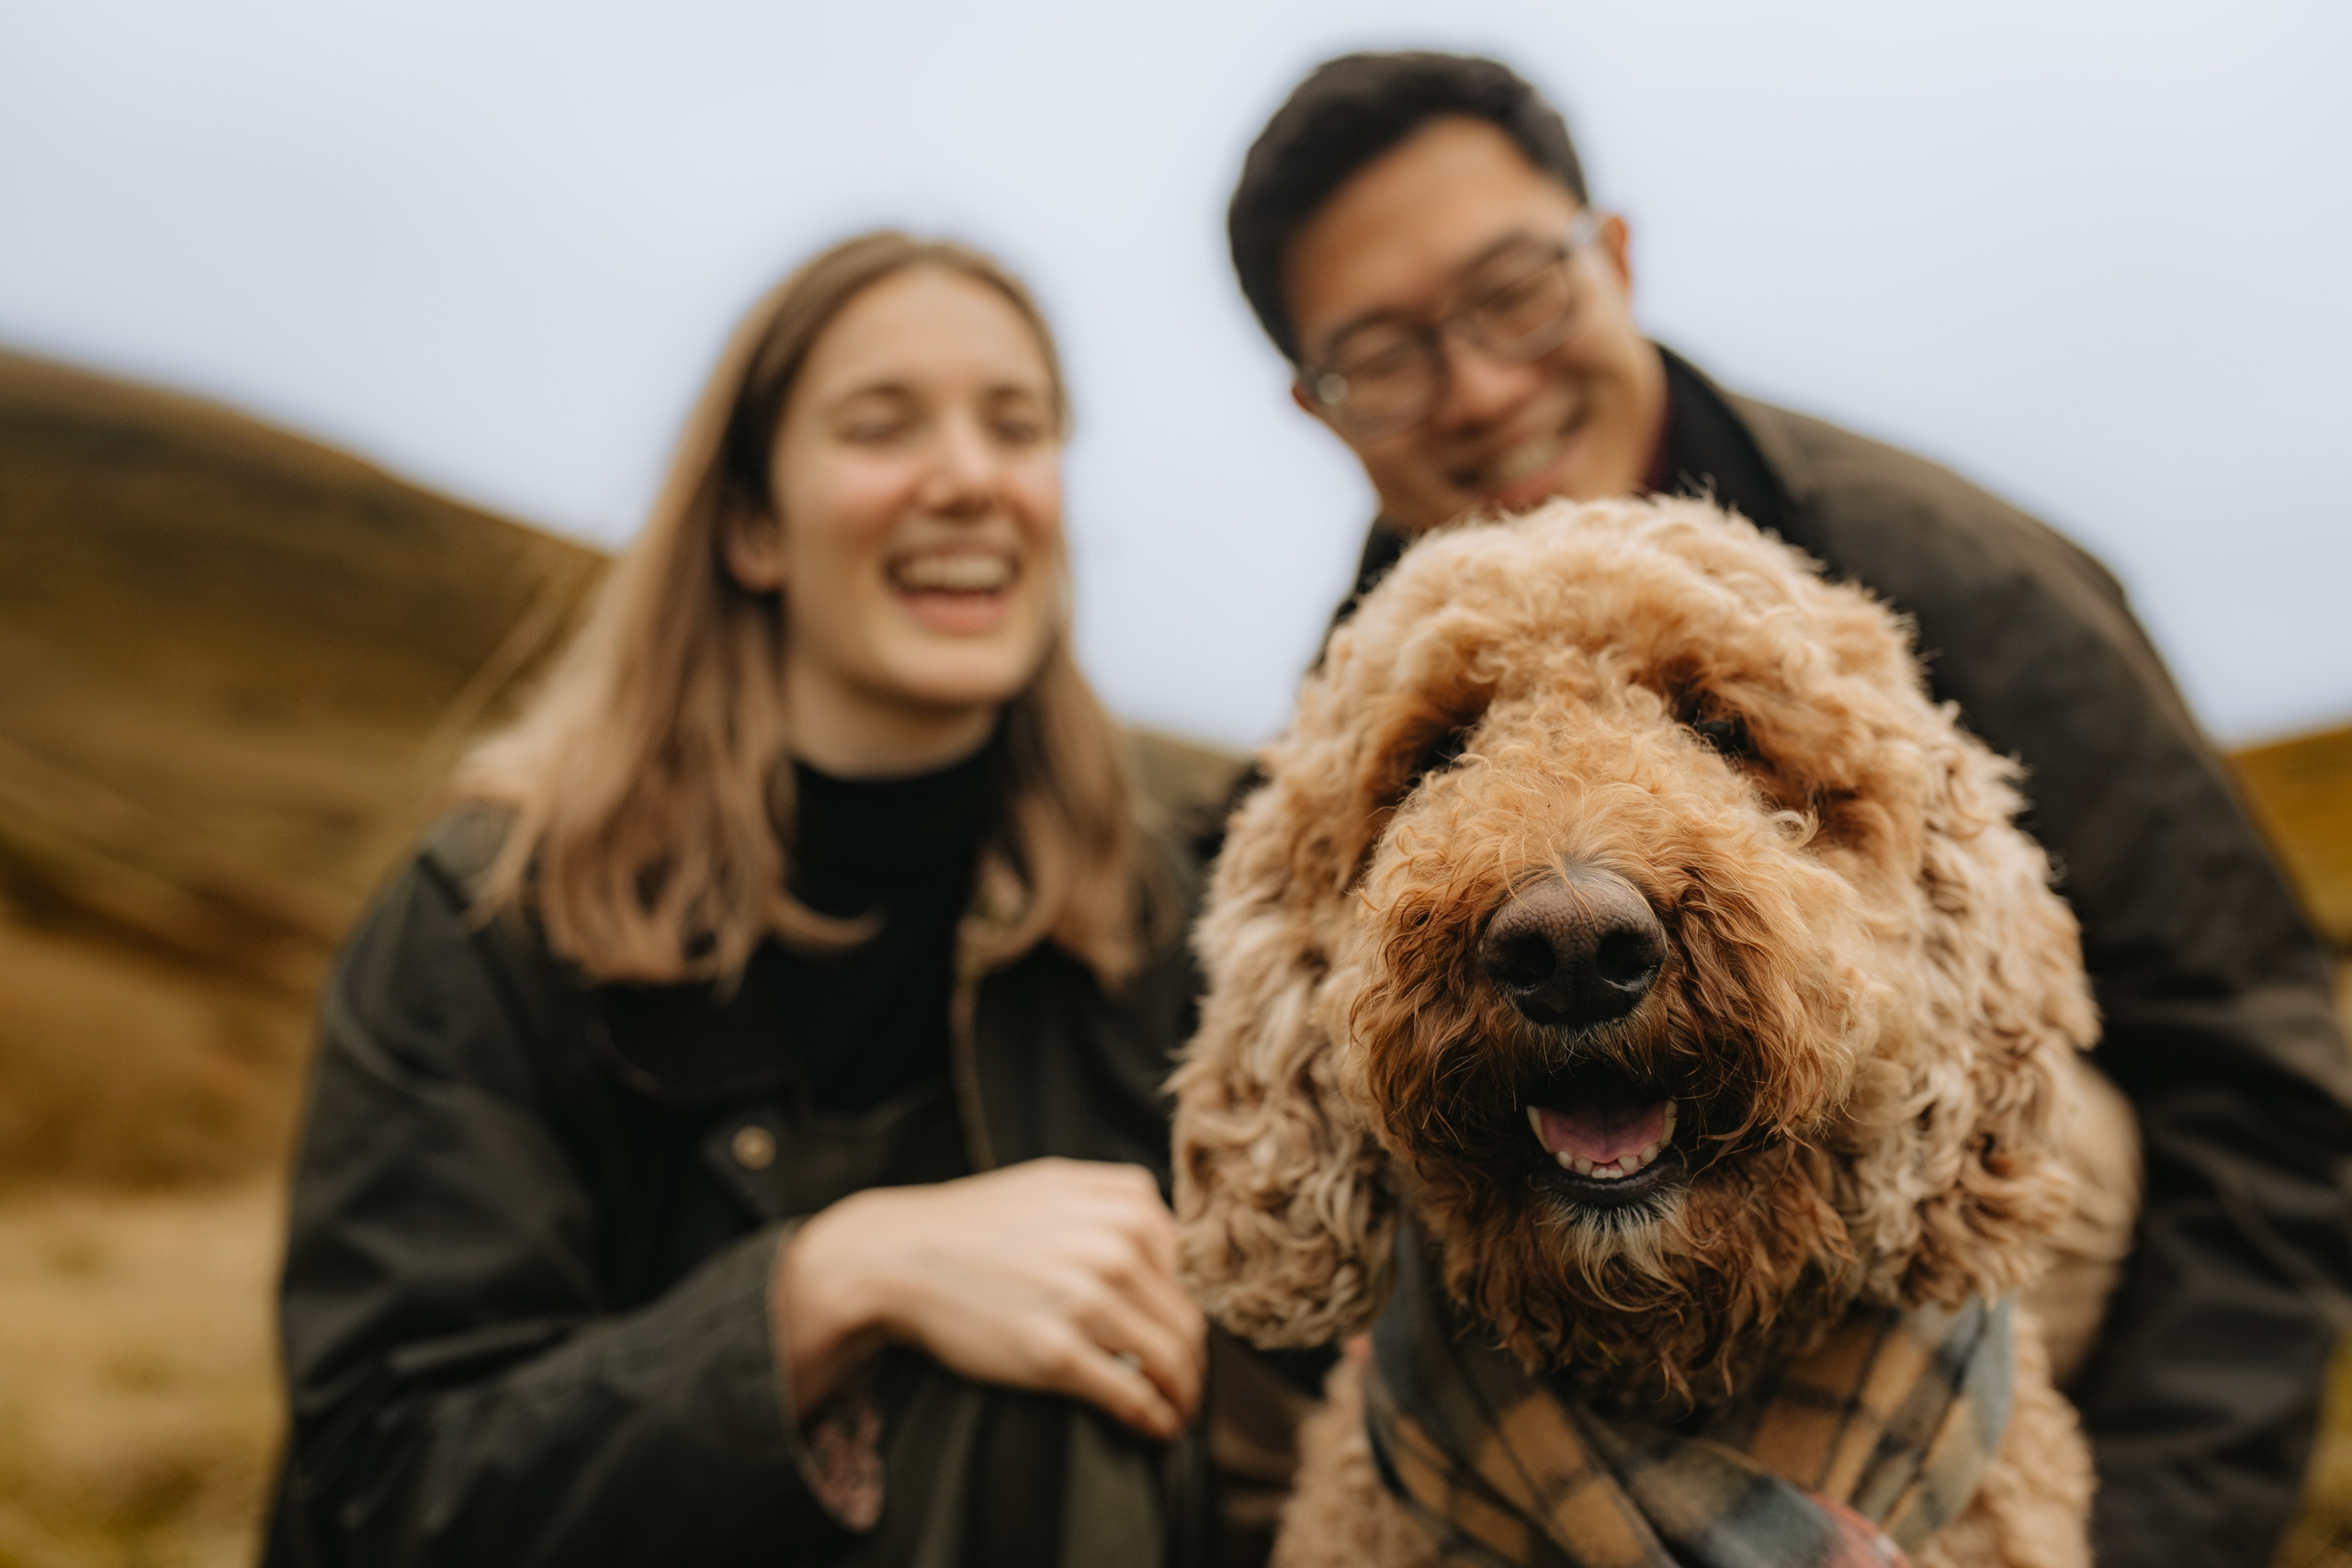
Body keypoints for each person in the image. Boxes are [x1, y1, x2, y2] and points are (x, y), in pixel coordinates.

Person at [1222, 51, 2352, 1568]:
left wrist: (2140, 1529)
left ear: (1609, 258)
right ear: (1321, 402)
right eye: (1387, 351)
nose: (1482, 384)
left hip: (1989, 1310)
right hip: (1482, 1402)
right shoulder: (1348, 696)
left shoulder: (1972, 586)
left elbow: (2266, 1084)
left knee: (2050, 1108)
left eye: (1513, 293)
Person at [263, 231, 1222, 1566]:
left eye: (1018, 426)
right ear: (754, 525)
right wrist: (827, 1286)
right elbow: (388, 1481)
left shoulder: (1157, 926)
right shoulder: (487, 923)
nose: (968, 479)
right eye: (883, 427)